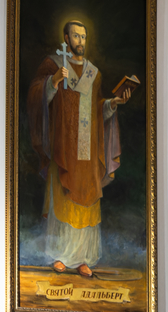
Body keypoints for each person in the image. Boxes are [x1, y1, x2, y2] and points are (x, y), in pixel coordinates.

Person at [27, 20, 132, 278]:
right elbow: (35, 95)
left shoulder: (93, 73)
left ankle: (83, 258)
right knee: (63, 198)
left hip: (87, 147)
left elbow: (96, 108)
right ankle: (61, 255)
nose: (81, 41)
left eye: (83, 37)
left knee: (86, 201)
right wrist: (52, 82)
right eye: (76, 36)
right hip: (64, 147)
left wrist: (112, 103)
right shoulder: (54, 64)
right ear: (66, 38)